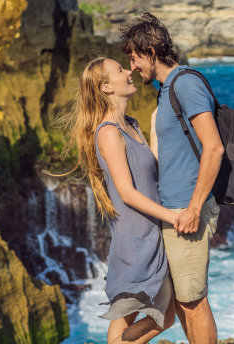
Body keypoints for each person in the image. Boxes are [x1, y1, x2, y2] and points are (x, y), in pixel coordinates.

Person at [59, 57, 180, 344]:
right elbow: (127, 192)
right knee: (155, 314)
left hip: (149, 234)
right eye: (120, 70)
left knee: (146, 316)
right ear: (106, 88)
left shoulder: (130, 125)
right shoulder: (109, 132)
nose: (130, 72)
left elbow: (151, 172)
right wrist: (173, 216)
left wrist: (155, 125)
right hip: (135, 240)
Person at [121, 13, 224, 344]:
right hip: (174, 211)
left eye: (135, 59)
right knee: (182, 303)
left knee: (193, 301)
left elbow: (214, 149)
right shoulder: (166, 90)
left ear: (150, 52)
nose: (133, 68)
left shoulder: (185, 83)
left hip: (186, 211)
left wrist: (194, 208)